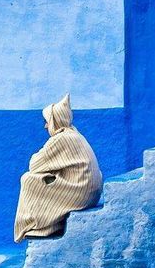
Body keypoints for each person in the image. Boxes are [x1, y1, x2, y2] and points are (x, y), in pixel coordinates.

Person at [14, 93, 103, 242]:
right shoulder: (74, 134)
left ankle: (40, 226)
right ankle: (50, 223)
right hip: (89, 193)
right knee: (40, 180)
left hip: (80, 194)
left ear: (55, 120)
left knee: (28, 180)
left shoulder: (62, 138)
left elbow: (34, 165)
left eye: (47, 121)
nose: (45, 126)